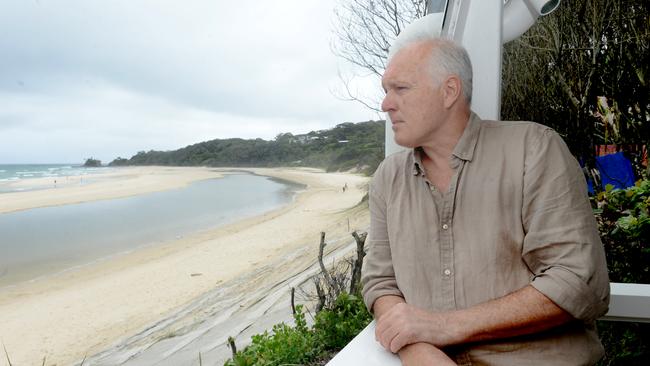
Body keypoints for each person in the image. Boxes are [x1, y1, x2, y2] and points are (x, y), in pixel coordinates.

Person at [361, 36, 610, 365]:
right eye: (385, 91)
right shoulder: (388, 178)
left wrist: (443, 327)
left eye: (401, 89)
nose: (386, 104)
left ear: (450, 91)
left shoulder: (533, 150)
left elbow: (577, 282)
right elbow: (380, 282)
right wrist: (415, 347)